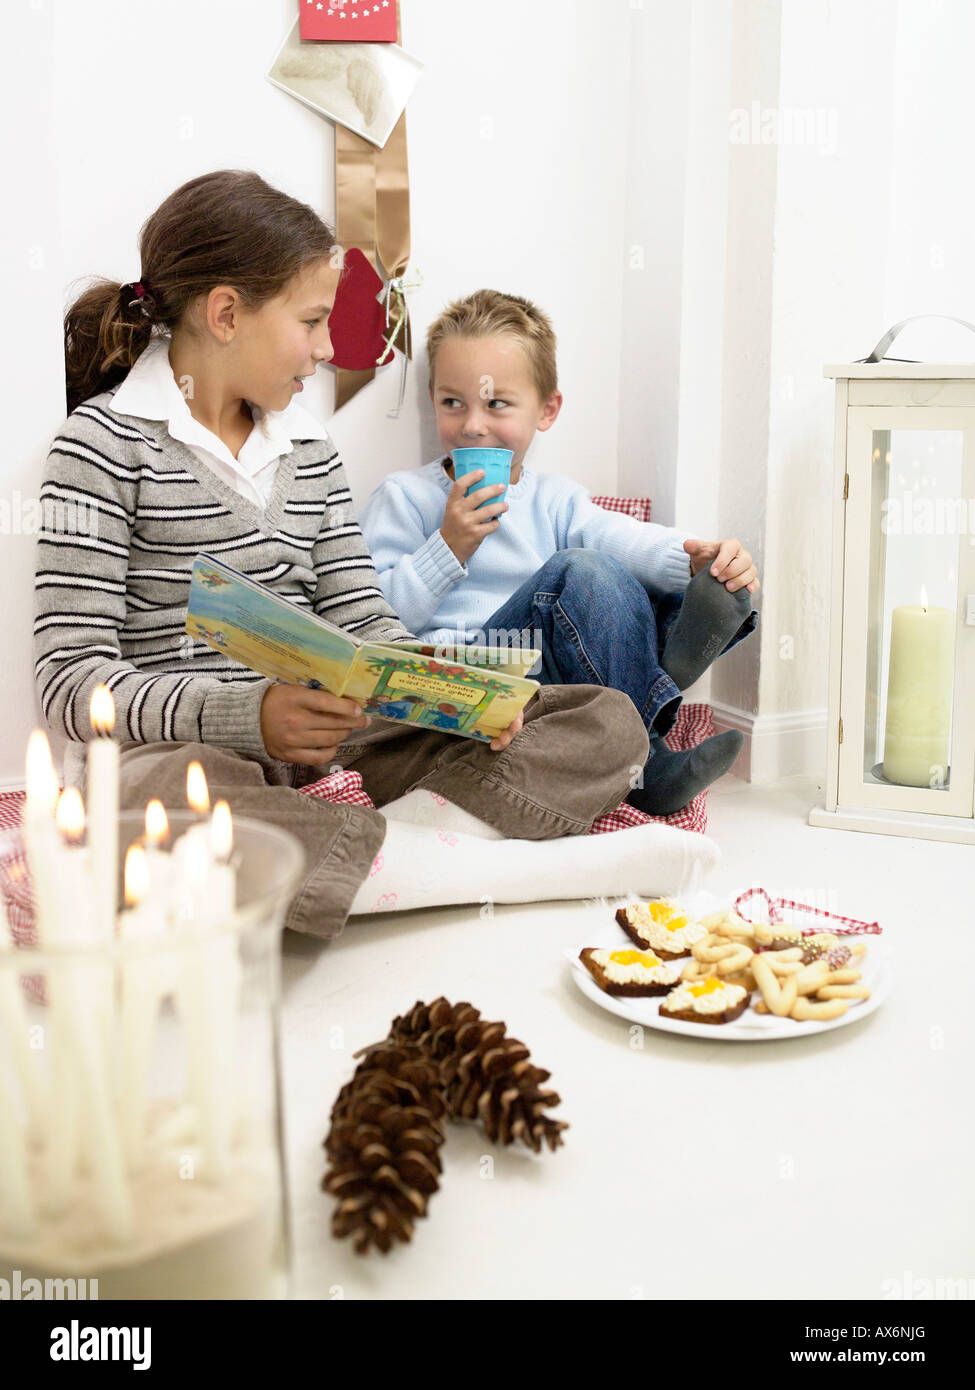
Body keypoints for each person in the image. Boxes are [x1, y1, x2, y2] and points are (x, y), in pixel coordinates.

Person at [35, 171, 715, 941]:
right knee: (152, 814)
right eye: (313, 321)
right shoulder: (101, 447)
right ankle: (502, 871)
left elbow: (368, 622)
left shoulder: (310, 453)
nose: (327, 350)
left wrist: (454, 697)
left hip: (332, 737)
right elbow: (69, 681)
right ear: (226, 314)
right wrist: (246, 716)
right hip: (187, 751)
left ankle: (387, 865)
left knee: (602, 722)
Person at [360, 289, 761, 816]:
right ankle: (649, 755)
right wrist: (448, 546)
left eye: (496, 404)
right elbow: (372, 620)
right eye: (451, 402)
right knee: (579, 570)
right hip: (465, 677)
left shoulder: (554, 499)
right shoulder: (404, 497)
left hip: (555, 683)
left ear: (546, 410)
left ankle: (683, 629)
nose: (472, 424)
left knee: (617, 580)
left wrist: (689, 558)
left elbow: (616, 535)